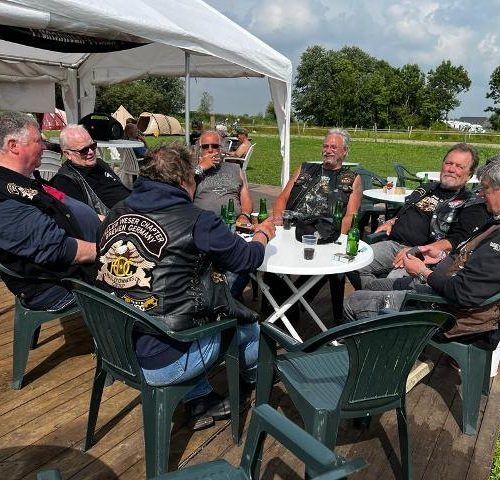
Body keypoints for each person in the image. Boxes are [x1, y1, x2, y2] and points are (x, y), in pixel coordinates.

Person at [96, 143, 276, 430]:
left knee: (177, 309)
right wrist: (262, 234)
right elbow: (246, 260)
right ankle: (258, 379)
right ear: (184, 180)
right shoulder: (197, 220)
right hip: (165, 362)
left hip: (115, 347)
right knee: (249, 327)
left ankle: (199, 398)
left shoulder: (116, 212)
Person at [344, 159, 500, 345]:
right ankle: (377, 334)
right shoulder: (494, 223)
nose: (480, 193)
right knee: (371, 287)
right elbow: (470, 264)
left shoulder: (491, 232)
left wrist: (423, 272)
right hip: (440, 286)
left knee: (353, 301)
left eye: (485, 189)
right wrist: (440, 256)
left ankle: (377, 353)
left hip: (445, 313)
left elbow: (462, 292)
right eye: (448, 163)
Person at [348, 143, 489, 291]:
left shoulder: (471, 204)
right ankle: (369, 295)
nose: (451, 169)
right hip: (393, 245)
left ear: (469, 175)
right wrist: (392, 221)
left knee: (390, 286)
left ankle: (370, 296)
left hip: (424, 256)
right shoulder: (426, 188)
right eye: (448, 163)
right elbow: (405, 210)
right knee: (352, 262)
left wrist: (417, 250)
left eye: (459, 166)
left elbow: (457, 241)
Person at [0, 111, 99, 311]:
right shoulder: (3, 196)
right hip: (60, 283)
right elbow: (58, 249)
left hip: (77, 266)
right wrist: (110, 250)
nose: (44, 147)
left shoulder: (25, 179)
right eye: (38, 141)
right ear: (13, 146)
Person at [273, 128, 362, 233]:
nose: (328, 151)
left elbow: (351, 216)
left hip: (324, 233)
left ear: (345, 151)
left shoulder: (352, 178)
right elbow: (282, 198)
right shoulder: (304, 169)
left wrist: (333, 236)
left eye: (333, 147)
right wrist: (278, 221)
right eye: (325, 146)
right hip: (290, 228)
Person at [51, 124, 130, 216]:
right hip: (119, 220)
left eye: (93, 146)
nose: (91, 152)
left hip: (134, 208)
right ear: (68, 154)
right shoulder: (65, 180)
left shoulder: (100, 163)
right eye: (83, 150)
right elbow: (84, 217)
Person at [193, 130, 253, 223]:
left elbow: (246, 199)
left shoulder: (235, 168)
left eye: (215, 146)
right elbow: (181, 191)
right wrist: (201, 168)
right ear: (200, 150)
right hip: (203, 224)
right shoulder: (192, 171)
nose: (210, 150)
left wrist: (244, 215)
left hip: (233, 223)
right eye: (205, 147)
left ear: (221, 149)